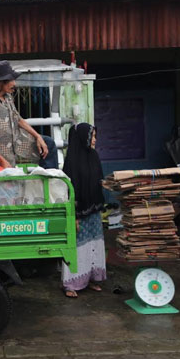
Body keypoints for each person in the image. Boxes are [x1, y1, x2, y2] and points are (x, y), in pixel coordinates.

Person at [0, 60, 58, 169]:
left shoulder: (8, 96)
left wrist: (37, 136)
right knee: (5, 181)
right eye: (11, 80)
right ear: (0, 82)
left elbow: (18, 119)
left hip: (17, 143)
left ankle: (50, 183)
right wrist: (1, 160)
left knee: (48, 144)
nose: (15, 84)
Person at [60, 123, 106, 298]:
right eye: (92, 136)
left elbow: (98, 180)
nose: (94, 140)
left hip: (93, 210)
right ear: (83, 138)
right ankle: (71, 283)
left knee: (94, 244)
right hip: (78, 213)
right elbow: (69, 191)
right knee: (77, 248)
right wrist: (74, 216)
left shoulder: (93, 156)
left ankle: (92, 279)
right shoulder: (72, 161)